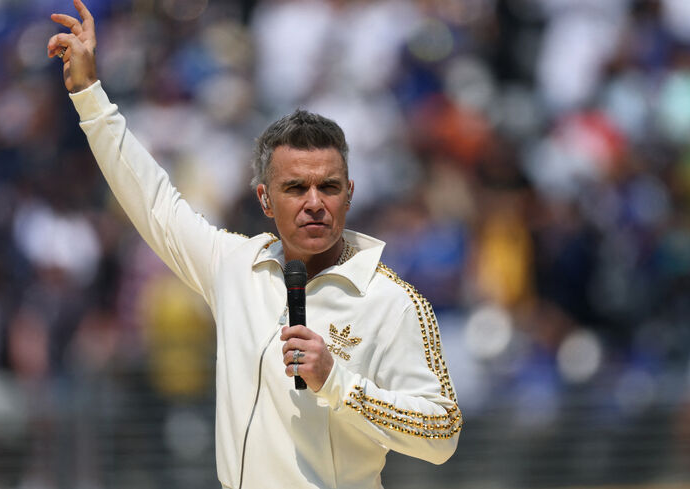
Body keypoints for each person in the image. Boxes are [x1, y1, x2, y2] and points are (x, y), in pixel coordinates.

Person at [47, 1, 461, 487]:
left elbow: (442, 433)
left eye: (328, 187)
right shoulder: (236, 265)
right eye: (294, 188)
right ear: (265, 198)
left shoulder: (391, 302)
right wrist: (90, 96)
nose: (313, 203)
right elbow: (155, 203)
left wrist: (338, 382)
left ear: (349, 194)